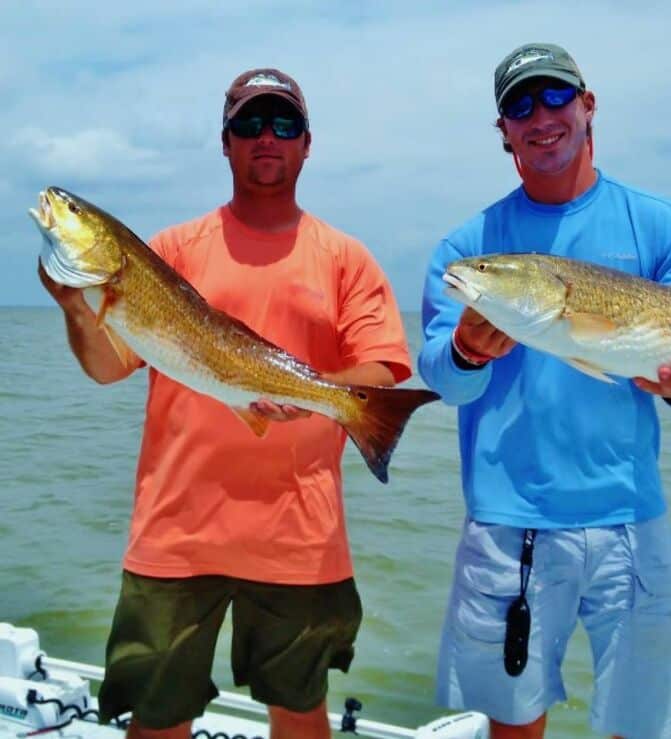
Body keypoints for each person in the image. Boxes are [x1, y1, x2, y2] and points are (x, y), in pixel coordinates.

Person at [38, 68, 413, 739]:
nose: (265, 137)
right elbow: (105, 366)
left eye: (282, 124)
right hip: (175, 534)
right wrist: (74, 302)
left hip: (302, 537)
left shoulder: (345, 258)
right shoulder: (170, 251)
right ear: (225, 142)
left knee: (300, 714)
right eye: (248, 124)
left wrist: (312, 394)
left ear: (306, 143)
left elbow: (382, 371)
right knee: (154, 715)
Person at [419, 43, 671, 739]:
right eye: (519, 105)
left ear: (589, 105)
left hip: (631, 520)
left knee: (637, 728)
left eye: (555, 96)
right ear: (503, 131)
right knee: (514, 725)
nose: (540, 116)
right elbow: (440, 375)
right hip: (508, 524)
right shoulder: (467, 247)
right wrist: (465, 349)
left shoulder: (666, 226)